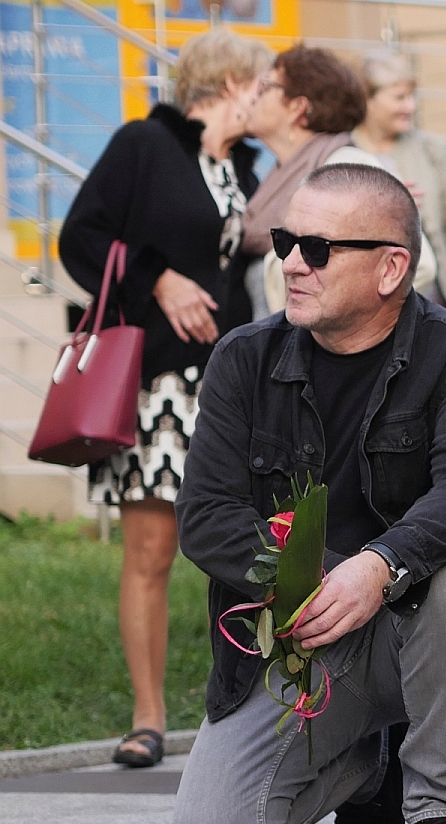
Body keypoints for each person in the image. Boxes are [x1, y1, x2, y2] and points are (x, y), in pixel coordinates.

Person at [172, 164, 446, 824]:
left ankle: (440, 811)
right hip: (298, 642)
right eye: (286, 240)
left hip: (404, 624)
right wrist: (313, 576)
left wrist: (380, 566)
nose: (292, 263)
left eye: (319, 248)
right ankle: (367, 766)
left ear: (392, 268)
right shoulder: (243, 358)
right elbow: (205, 517)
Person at [58, 28, 271, 769]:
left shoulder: (244, 167)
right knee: (152, 551)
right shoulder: (144, 145)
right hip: (159, 383)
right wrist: (159, 279)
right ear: (232, 81)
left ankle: (250, 705)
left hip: (234, 385)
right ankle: (148, 717)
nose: (267, 95)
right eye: (261, 83)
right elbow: (78, 237)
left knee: (250, 549)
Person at [241, 45, 436, 317]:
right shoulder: (278, 174)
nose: (253, 98)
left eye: (266, 88)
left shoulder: (345, 166)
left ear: (298, 107)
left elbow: (420, 264)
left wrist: (343, 332)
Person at [352, 50, 446, 321]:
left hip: (431, 300)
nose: (410, 107)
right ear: (368, 100)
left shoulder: (433, 150)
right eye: (399, 98)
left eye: (412, 97)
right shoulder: (343, 151)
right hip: (364, 308)